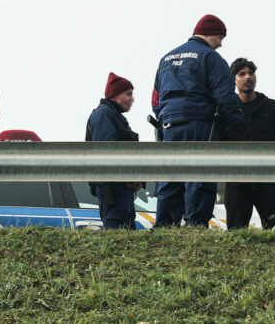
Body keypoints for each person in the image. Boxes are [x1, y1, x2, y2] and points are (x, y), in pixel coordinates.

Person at [151, 14, 246, 227]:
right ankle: (195, 224)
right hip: (200, 123)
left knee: (170, 175)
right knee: (200, 173)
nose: (221, 43)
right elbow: (225, 97)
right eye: (221, 37)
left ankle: (165, 225)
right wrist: (237, 126)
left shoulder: (166, 58)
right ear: (211, 34)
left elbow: (156, 98)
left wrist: (164, 117)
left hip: (169, 125)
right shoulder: (211, 58)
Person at [225, 58, 275, 229]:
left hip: (268, 180)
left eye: (251, 73)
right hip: (237, 181)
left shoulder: (272, 107)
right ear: (234, 79)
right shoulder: (227, 109)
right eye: (241, 74)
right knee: (236, 234)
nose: (247, 77)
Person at [85, 72, 142, 229]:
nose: (132, 99)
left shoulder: (113, 115)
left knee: (126, 233)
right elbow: (107, 152)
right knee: (117, 230)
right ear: (115, 95)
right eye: (128, 94)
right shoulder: (104, 114)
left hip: (121, 186)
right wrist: (127, 176)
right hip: (113, 187)